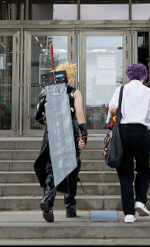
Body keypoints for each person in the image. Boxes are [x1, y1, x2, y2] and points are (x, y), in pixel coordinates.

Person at [107, 62, 150, 223]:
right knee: (144, 169)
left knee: (125, 174)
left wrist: (125, 111)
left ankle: (129, 214)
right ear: (144, 76)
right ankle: (140, 200)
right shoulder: (149, 92)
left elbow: (111, 109)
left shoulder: (121, 89)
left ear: (129, 75)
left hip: (123, 133)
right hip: (141, 133)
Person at [33, 61, 87, 221]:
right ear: (70, 78)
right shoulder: (74, 93)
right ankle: (70, 208)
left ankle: (48, 202)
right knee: (71, 169)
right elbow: (80, 115)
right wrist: (83, 135)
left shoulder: (46, 92)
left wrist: (48, 122)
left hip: (51, 136)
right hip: (68, 135)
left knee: (51, 170)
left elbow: (38, 116)